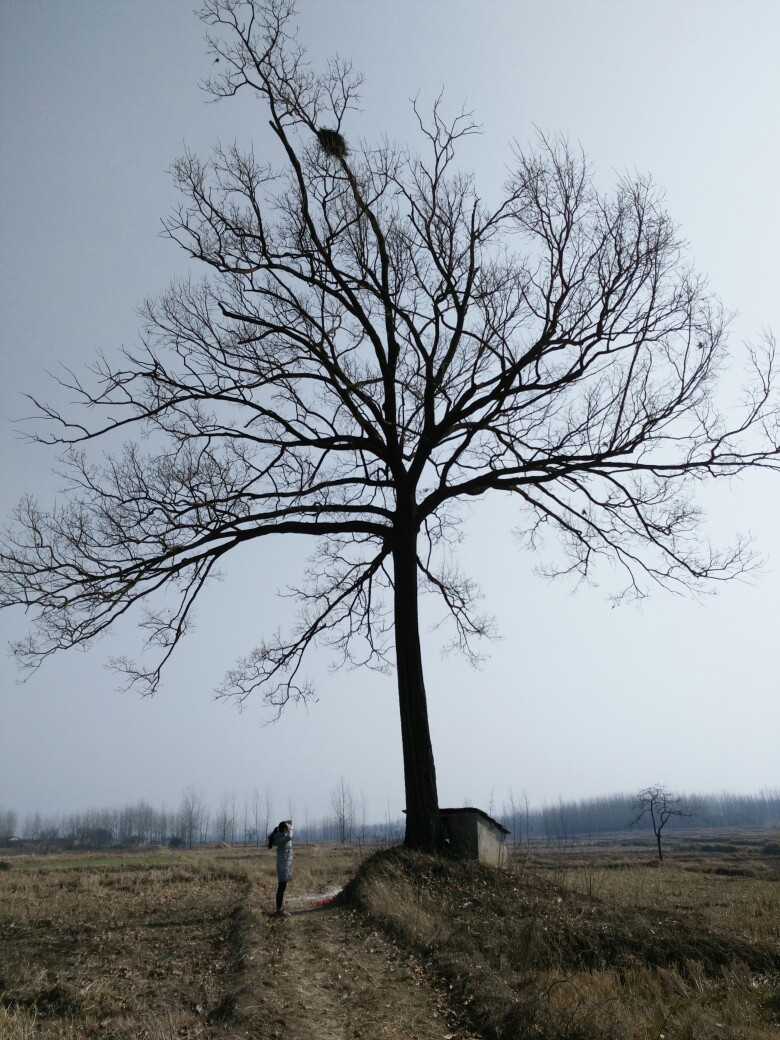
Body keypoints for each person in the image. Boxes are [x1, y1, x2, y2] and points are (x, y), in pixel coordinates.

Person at [267, 819, 293, 915]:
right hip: (283, 866)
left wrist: (289, 823)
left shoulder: (282, 836)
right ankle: (279, 910)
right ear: (284, 829)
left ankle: (280, 908)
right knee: (281, 888)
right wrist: (291, 828)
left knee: (282, 888)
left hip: (285, 865)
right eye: (287, 827)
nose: (289, 828)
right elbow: (289, 837)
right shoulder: (280, 838)